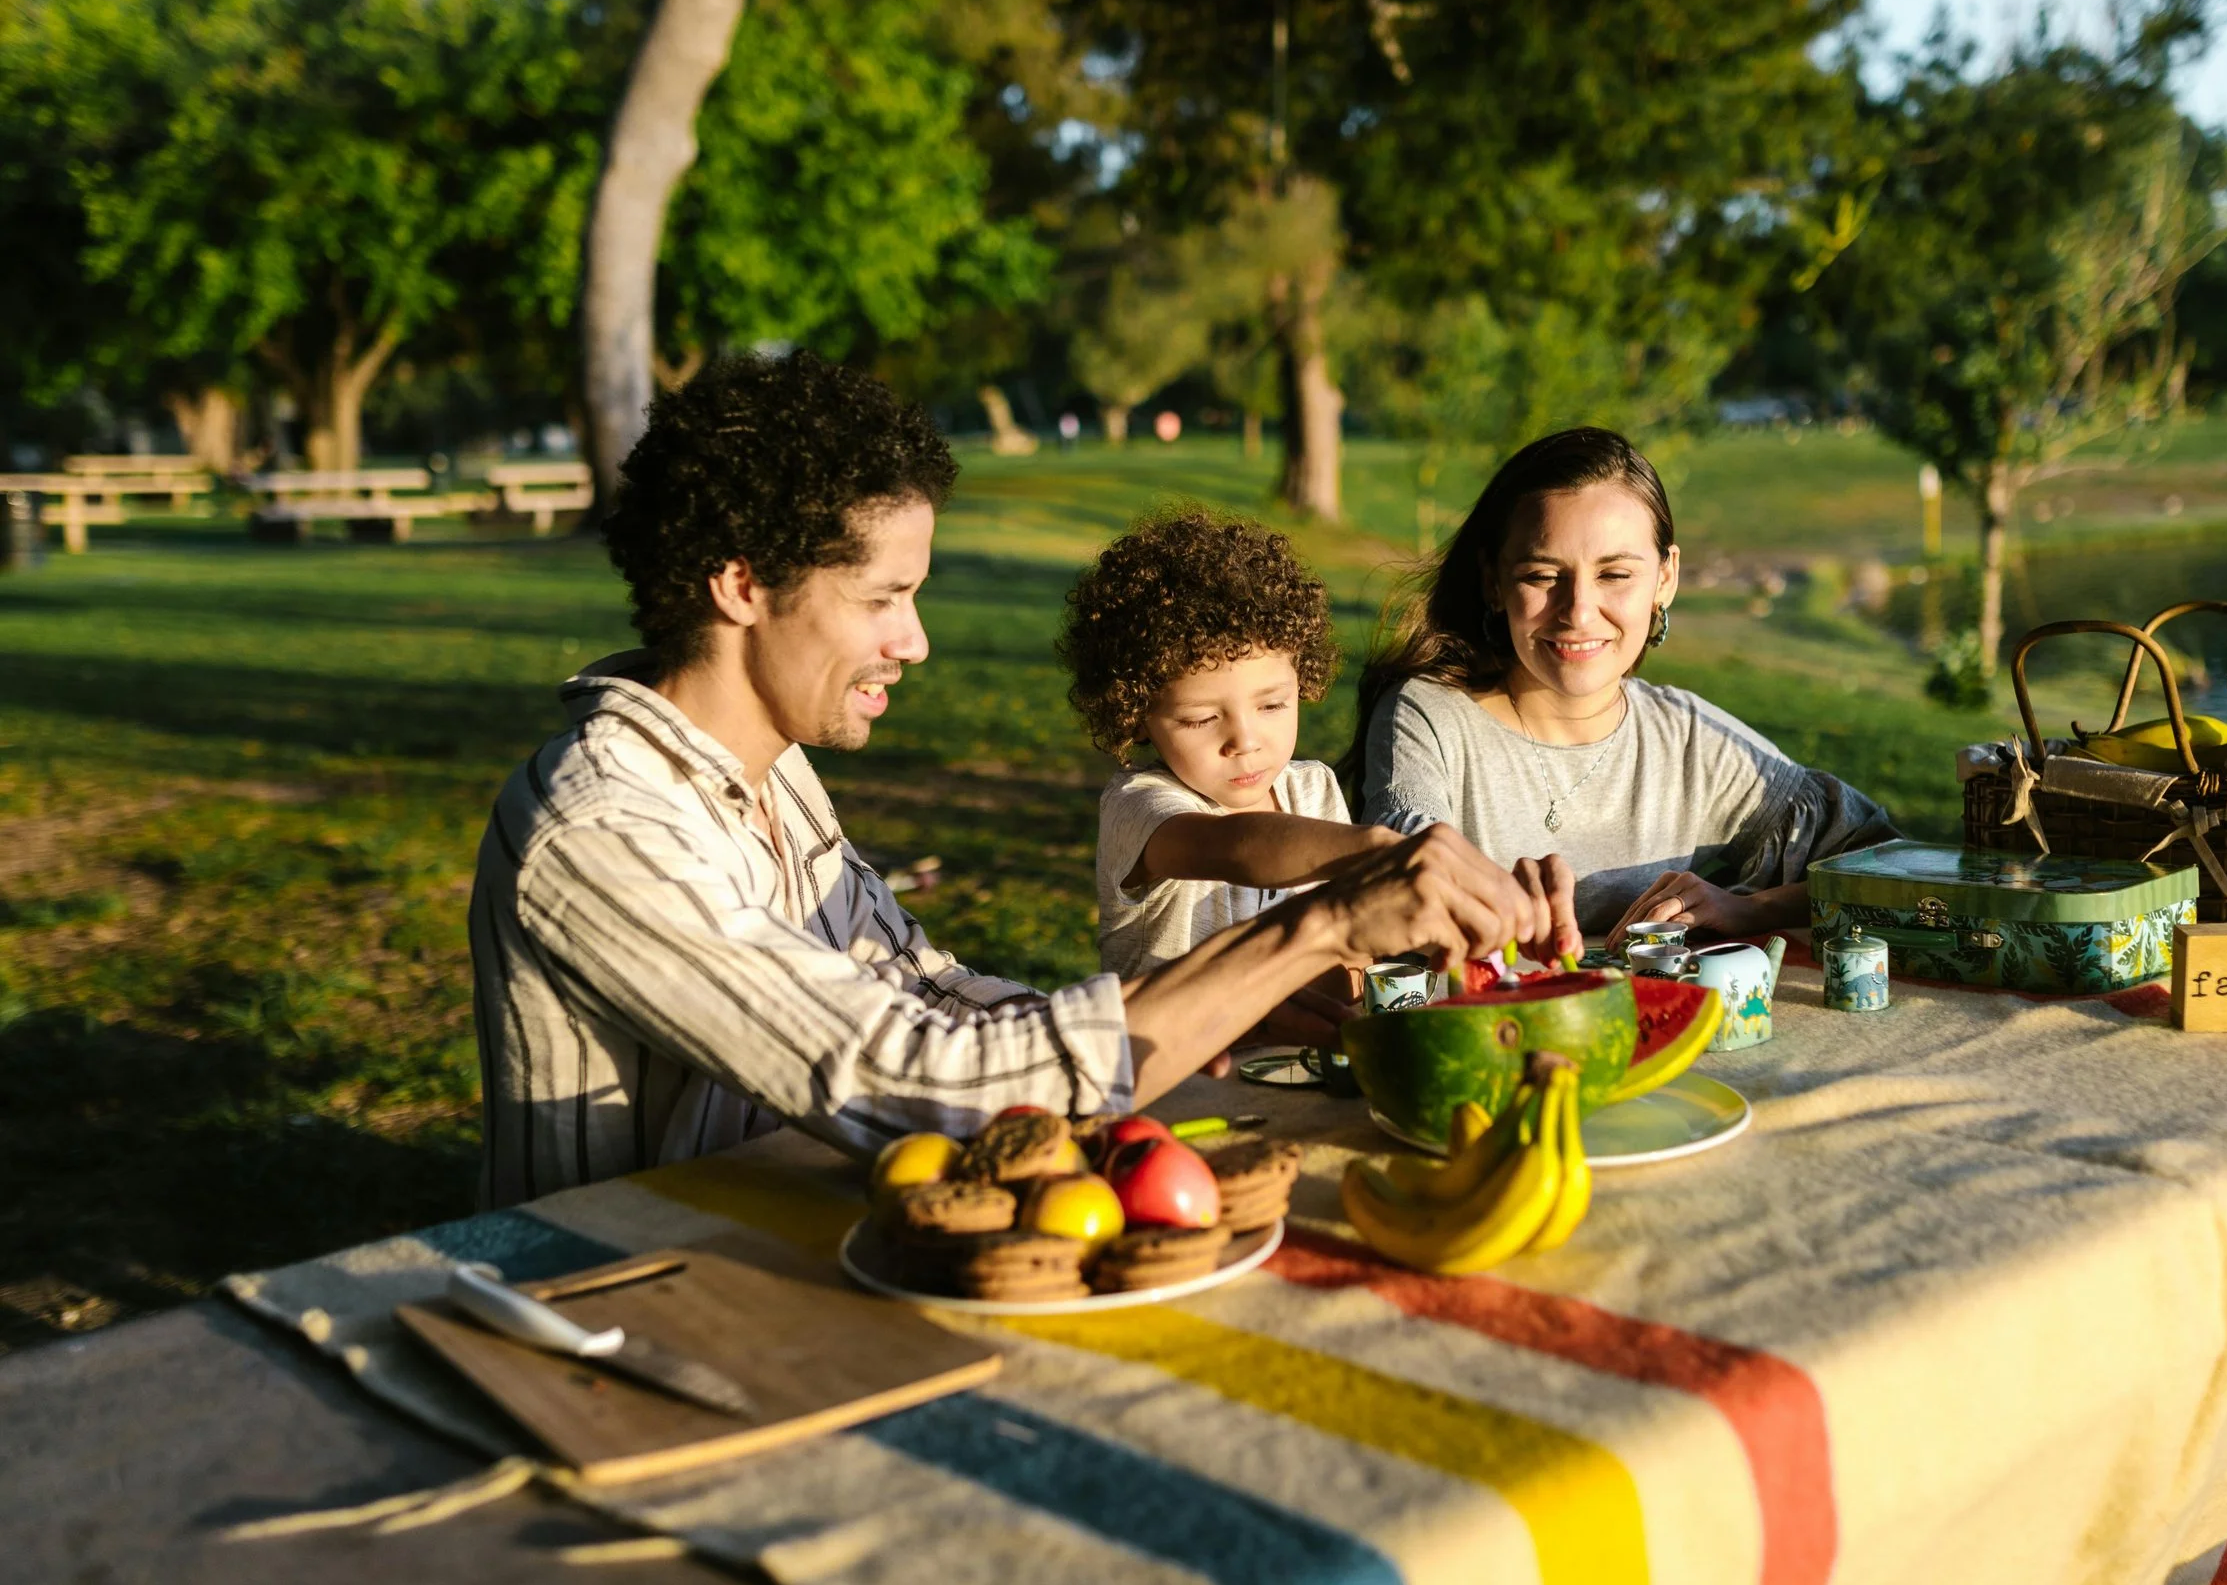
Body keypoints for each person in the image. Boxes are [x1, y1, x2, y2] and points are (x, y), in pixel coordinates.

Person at [468, 353, 1554, 1206]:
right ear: (742, 585)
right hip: (630, 1298)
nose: (917, 641)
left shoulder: (765, 770)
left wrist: (1217, 1006)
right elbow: (921, 1079)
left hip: (781, 1222)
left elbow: (921, 989)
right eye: (883, 597)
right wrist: (1312, 930)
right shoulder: (599, 828)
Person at [1345, 426, 1897, 948]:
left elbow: (1888, 869)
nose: (1579, 612)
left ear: (1665, 578)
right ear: (1493, 582)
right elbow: (1402, 874)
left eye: (1614, 575)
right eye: (1542, 576)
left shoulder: (1689, 742)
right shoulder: (1430, 719)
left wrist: (1747, 908)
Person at [1062, 512, 1397, 1048]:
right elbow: (1234, 847)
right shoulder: (1139, 807)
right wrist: (1381, 852)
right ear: (1135, 712)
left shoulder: (1313, 792)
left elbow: (1350, 958)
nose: (1245, 740)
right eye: (1199, 719)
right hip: (1173, 1083)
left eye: (1271, 704)